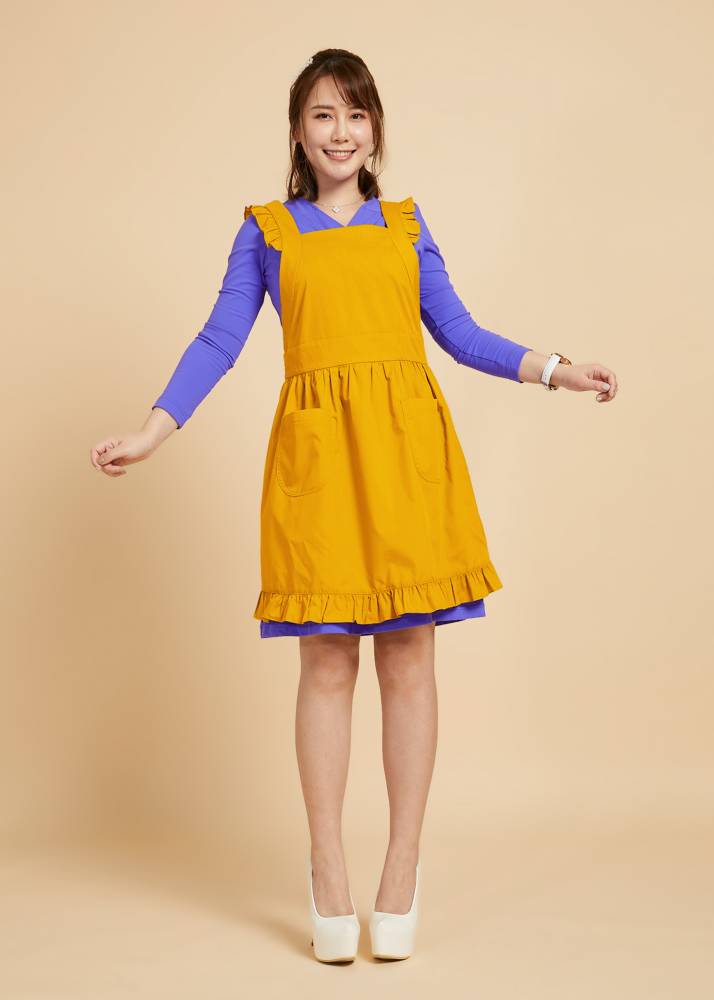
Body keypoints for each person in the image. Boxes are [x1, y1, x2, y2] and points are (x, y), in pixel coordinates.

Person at [89, 48, 618, 963]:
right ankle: (327, 861)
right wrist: (152, 431)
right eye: (323, 115)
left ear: (376, 131)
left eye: (357, 114)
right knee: (327, 660)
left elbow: (460, 333)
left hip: (408, 457)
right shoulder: (265, 231)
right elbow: (219, 339)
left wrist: (555, 370)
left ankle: (402, 862)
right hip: (319, 464)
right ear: (298, 132)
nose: (341, 132)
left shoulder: (406, 225)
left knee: (409, 655)